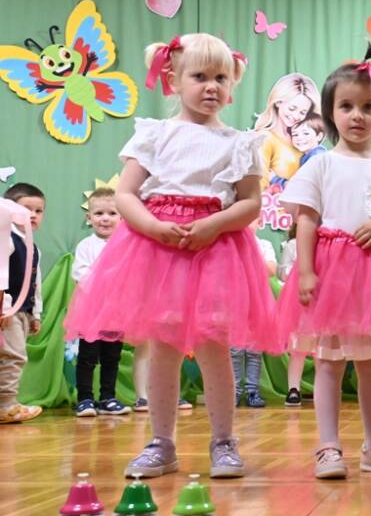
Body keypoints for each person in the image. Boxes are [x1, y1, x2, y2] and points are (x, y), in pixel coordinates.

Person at [63, 33, 279, 479]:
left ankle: (223, 441)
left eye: (221, 77)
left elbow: (249, 203)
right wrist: (153, 226)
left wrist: (214, 224)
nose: (211, 86)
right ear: (174, 80)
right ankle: (161, 443)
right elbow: (126, 194)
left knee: (214, 348)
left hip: (215, 252)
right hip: (159, 252)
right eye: (199, 76)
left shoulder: (239, 142)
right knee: (163, 348)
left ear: (232, 83)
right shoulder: (155, 134)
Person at [276, 45, 371, 479]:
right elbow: (306, 220)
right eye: (346, 106)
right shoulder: (320, 166)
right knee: (328, 361)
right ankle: (328, 447)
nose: (357, 115)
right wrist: (306, 272)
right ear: (329, 113)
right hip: (331, 277)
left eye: (367, 107)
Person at [71, 188, 131, 416]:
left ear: (122, 218)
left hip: (116, 311)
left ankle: (108, 397)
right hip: (91, 312)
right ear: (89, 218)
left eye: (112, 213)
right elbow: (80, 273)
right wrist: (106, 282)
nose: (105, 218)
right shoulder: (85, 246)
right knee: (88, 356)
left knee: (112, 356)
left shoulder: (126, 246)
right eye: (99, 213)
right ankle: (85, 399)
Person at [0, 183, 46, 424]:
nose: (33, 215)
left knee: (13, 355)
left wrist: (35, 313)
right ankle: (6, 404)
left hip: (23, 312)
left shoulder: (33, 246)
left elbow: (34, 282)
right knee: (13, 356)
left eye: (39, 211)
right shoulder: (5, 240)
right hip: (7, 310)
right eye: (27, 209)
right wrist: (4, 306)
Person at [231, 219, 278, 409]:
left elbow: (271, 270)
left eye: (252, 220)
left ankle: (252, 390)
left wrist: (251, 249)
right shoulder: (231, 244)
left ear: (259, 222)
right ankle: (234, 391)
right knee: (234, 349)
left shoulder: (264, 245)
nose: (248, 224)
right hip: (234, 301)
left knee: (254, 349)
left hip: (257, 302)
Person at [255, 73, 320, 191]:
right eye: (292, 108)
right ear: (278, 102)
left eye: (302, 112)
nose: (296, 116)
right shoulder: (264, 138)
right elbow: (257, 189)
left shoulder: (301, 139)